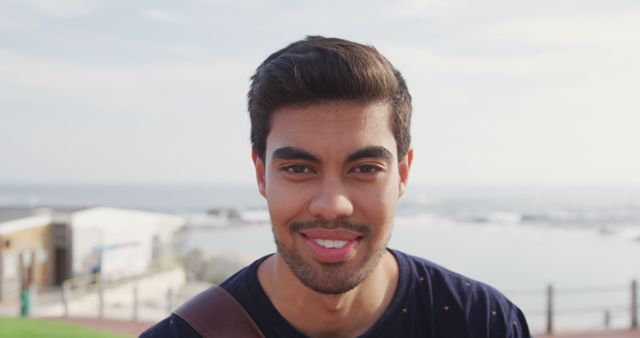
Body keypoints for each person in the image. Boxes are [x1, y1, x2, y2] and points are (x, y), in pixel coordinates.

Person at [141, 36, 531, 338]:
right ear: (261, 174)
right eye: (298, 168)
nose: (332, 205)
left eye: (364, 168)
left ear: (403, 174)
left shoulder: (481, 322)